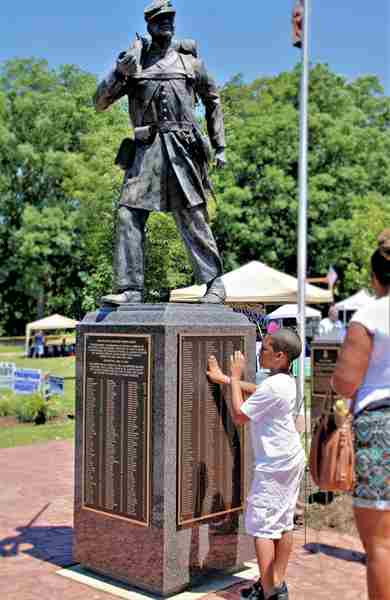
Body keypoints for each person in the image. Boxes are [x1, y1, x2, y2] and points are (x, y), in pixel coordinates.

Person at [94, 0, 227, 305]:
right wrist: (119, 72)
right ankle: (130, 289)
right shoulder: (134, 63)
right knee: (129, 213)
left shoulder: (191, 63)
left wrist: (219, 145)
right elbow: (99, 102)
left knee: (192, 214)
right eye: (160, 19)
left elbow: (213, 100)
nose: (166, 23)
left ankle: (215, 284)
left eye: (170, 19)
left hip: (182, 149)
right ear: (149, 25)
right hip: (147, 151)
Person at [207, 329, 305, 600]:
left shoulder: (274, 385)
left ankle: (269, 593)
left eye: (265, 348)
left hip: (274, 465)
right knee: (283, 523)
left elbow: (239, 415)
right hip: (290, 459)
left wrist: (235, 377)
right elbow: (260, 391)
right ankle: (276, 581)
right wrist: (226, 380)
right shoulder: (287, 381)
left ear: (279, 356)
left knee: (263, 527)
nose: (260, 351)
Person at [332, 229, 390, 600]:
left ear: (374, 278)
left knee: (381, 545)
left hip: (381, 427)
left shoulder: (370, 314)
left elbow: (345, 383)